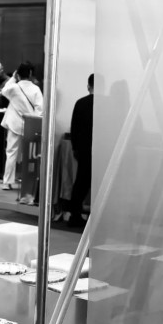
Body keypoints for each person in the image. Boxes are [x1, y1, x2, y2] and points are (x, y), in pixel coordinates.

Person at [0, 62, 43, 191]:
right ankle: (28, 181)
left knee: (11, 153)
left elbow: (3, 91)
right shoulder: (36, 89)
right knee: (29, 154)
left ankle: (7, 182)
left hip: (14, 124)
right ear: (30, 74)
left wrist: (13, 78)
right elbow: (40, 109)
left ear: (18, 74)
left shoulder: (13, 88)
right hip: (30, 124)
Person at [68, 74, 94, 228]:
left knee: (80, 182)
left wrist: (75, 147)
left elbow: (74, 127)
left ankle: (74, 214)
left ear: (88, 86)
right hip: (98, 149)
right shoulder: (106, 104)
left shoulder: (81, 103)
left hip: (83, 149)